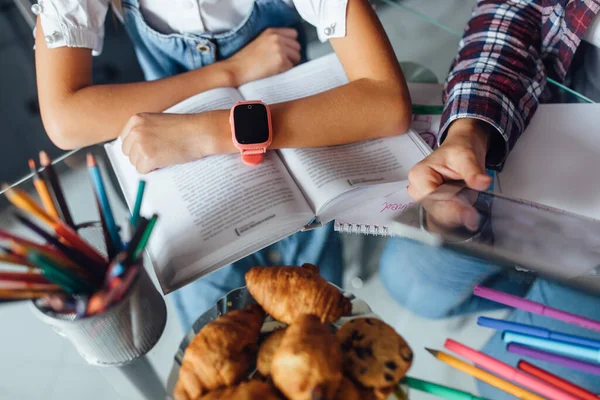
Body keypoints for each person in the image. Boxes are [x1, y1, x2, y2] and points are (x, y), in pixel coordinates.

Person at [34, 0, 412, 329]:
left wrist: (209, 131)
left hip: (303, 139)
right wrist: (229, 72)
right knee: (217, 334)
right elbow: (66, 119)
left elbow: (388, 102)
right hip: (184, 180)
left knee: (317, 320)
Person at [380, 1, 600, 397]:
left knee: (504, 383)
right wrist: (469, 128)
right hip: (562, 119)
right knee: (410, 278)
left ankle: (548, 299)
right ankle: (541, 296)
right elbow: (516, 9)